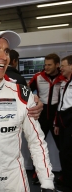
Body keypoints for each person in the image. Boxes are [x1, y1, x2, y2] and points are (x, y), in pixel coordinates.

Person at [0, 30, 55, 192]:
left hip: (16, 189)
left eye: (6, 51)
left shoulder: (21, 94)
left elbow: (37, 142)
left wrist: (46, 186)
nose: (4, 57)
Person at [28, 53, 65, 184]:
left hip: (57, 117)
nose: (46, 67)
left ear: (57, 65)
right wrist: (34, 100)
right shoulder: (38, 77)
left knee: (63, 147)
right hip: (42, 116)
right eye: (45, 65)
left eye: (49, 65)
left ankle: (64, 175)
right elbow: (26, 91)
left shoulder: (63, 77)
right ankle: (37, 174)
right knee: (37, 146)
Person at [54, 55, 72, 192]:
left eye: (64, 65)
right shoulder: (66, 82)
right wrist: (58, 124)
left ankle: (70, 191)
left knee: (69, 157)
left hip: (70, 125)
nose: (61, 68)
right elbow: (62, 105)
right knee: (65, 155)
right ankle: (67, 181)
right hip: (64, 124)